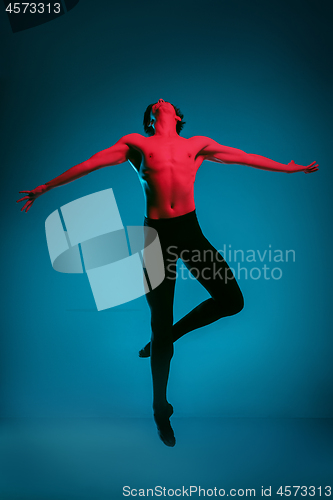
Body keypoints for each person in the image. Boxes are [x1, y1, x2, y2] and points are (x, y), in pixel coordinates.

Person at [17, 98, 319, 446]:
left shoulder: (197, 145)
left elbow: (245, 157)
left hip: (190, 232)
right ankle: (160, 407)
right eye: (154, 104)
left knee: (232, 301)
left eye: (167, 102)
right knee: (158, 324)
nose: (161, 101)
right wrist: (45, 188)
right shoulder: (136, 144)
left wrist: (288, 168)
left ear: (176, 115)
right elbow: (90, 164)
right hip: (155, 240)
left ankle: (169, 336)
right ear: (151, 117)